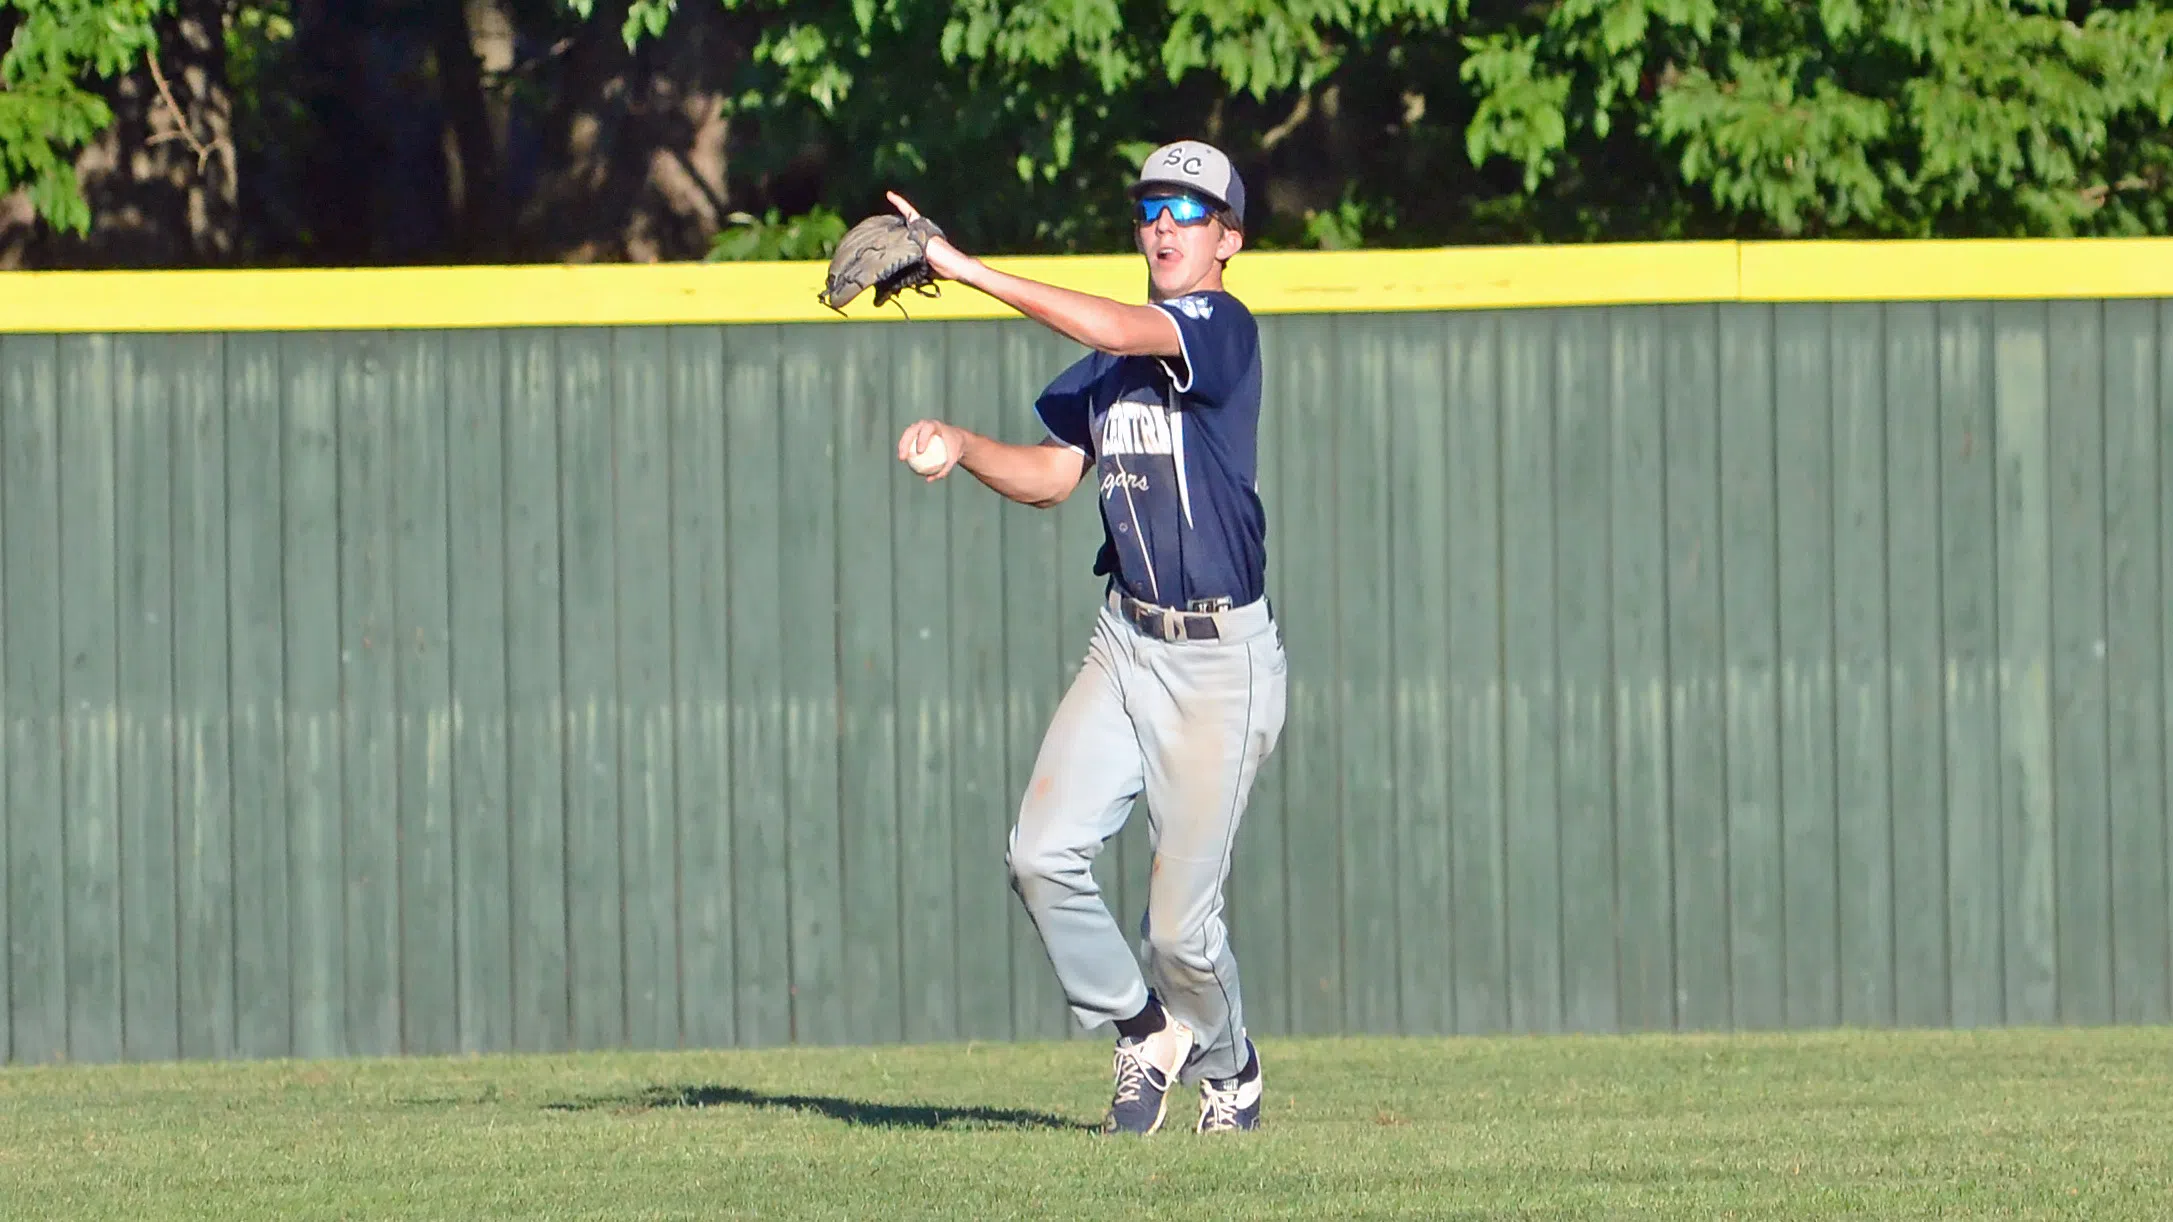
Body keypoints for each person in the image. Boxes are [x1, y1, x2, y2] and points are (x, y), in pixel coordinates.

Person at [890, 138, 1287, 1136]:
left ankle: (1230, 1071)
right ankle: (1142, 1028)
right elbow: (1052, 477)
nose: (1164, 223)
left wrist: (965, 269)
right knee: (1040, 854)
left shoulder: (1219, 327)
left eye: (1188, 212)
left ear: (1227, 241)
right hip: (1127, 643)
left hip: (1216, 661)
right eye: (1152, 206)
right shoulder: (1111, 368)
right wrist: (962, 445)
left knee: (1178, 929)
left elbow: (1123, 320)